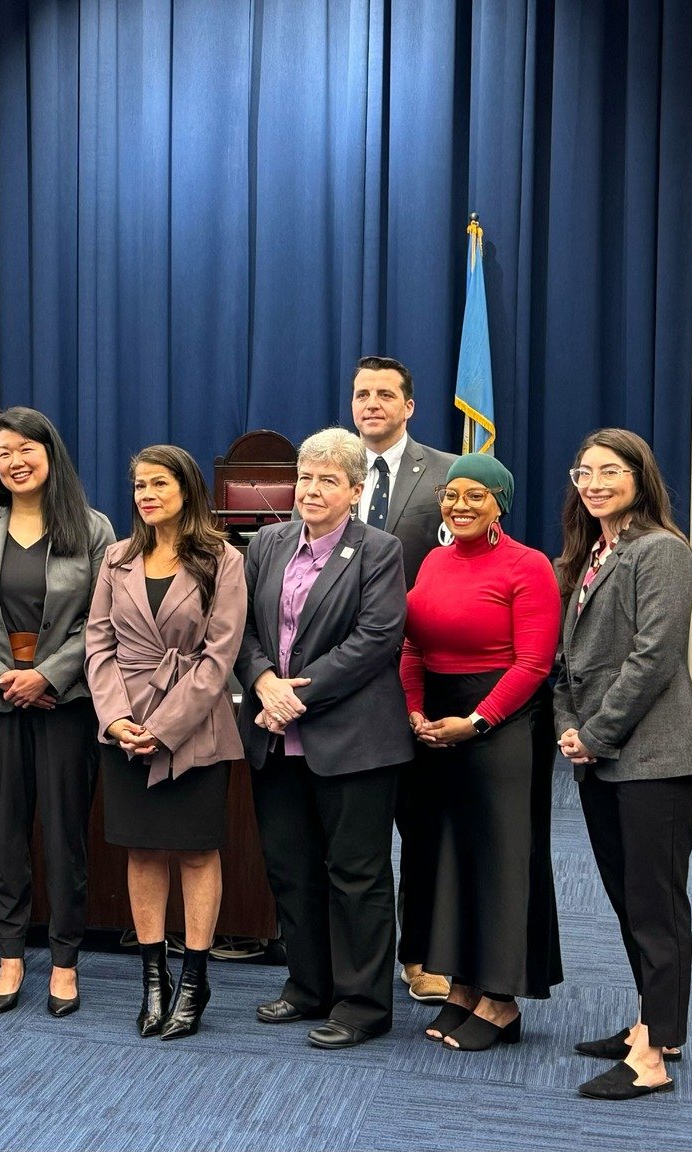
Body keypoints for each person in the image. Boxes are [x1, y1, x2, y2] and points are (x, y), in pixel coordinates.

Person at [552, 429, 692, 1100]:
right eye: (582, 470)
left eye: (608, 471)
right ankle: (655, 1023)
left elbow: (654, 657)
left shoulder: (662, 551)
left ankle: (653, 1057)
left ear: (640, 477)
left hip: (653, 758)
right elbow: (569, 660)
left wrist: (592, 732)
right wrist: (568, 727)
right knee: (627, 902)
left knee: (656, 904)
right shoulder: (592, 552)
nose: (592, 482)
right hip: (600, 756)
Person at [234, 428, 408, 1050]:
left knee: (355, 874)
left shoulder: (379, 550)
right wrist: (261, 682)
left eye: (327, 480)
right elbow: (243, 630)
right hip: (274, 740)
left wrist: (291, 696)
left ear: (356, 490)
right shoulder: (268, 544)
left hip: (353, 741)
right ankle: (307, 987)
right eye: (304, 478)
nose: (311, 490)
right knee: (290, 867)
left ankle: (362, 1005)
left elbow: (376, 640)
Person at [0, 407, 115, 1016]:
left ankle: (66, 959)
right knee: (8, 830)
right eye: (3, 453)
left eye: (27, 449)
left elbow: (100, 620)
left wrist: (47, 675)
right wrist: (2, 678)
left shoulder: (92, 528)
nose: (15, 461)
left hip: (67, 703)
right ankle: (14, 953)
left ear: (51, 455)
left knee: (65, 834)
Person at [401, 453, 564, 1051]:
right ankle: (462, 987)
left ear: (501, 502)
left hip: (501, 723)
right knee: (446, 858)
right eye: (451, 494)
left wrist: (475, 721)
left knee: (501, 859)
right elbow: (411, 646)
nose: (460, 505)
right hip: (434, 726)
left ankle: (500, 998)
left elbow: (533, 664)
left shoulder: (529, 565)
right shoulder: (434, 561)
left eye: (476, 495)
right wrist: (416, 711)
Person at [85, 445, 247, 1041]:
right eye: (138, 486)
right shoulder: (115, 558)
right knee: (144, 851)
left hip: (195, 727)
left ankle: (195, 977)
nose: (146, 495)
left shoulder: (222, 560)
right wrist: (116, 720)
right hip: (124, 727)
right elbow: (97, 645)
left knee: (197, 852)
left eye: (159, 484)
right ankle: (153, 979)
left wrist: (165, 727)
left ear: (187, 489)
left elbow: (219, 656)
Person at [348, 354, 457, 1005]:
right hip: (344, 683)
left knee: (423, 827)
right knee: (353, 835)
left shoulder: (444, 473)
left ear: (409, 405)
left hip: (422, 674)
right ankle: (354, 957)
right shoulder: (330, 470)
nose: (372, 405)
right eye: (362, 394)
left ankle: (423, 956)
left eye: (386, 394)